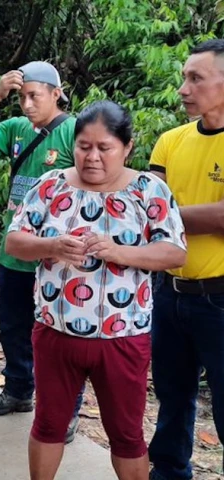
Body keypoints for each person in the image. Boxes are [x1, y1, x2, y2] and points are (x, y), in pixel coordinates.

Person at [6, 100, 186, 480]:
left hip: (122, 337)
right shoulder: (51, 185)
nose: (92, 157)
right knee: (48, 425)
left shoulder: (148, 190)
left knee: (126, 435)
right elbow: (15, 241)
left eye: (105, 148)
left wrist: (120, 252)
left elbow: (174, 252)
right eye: (84, 146)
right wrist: (52, 246)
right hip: (55, 331)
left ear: (127, 147)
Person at [0, 62, 85, 434]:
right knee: (13, 327)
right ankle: (18, 391)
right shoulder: (16, 128)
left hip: (57, 258)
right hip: (15, 250)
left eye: (35, 96)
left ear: (56, 94)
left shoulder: (74, 131)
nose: (27, 104)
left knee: (61, 334)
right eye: (21, 97)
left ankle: (65, 409)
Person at [147, 39, 224, 480]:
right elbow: (144, 210)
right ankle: (169, 473)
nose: (183, 89)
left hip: (220, 298)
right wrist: (192, 217)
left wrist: (167, 216)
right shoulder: (171, 141)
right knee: (172, 397)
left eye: (196, 78)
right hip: (169, 293)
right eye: (184, 78)